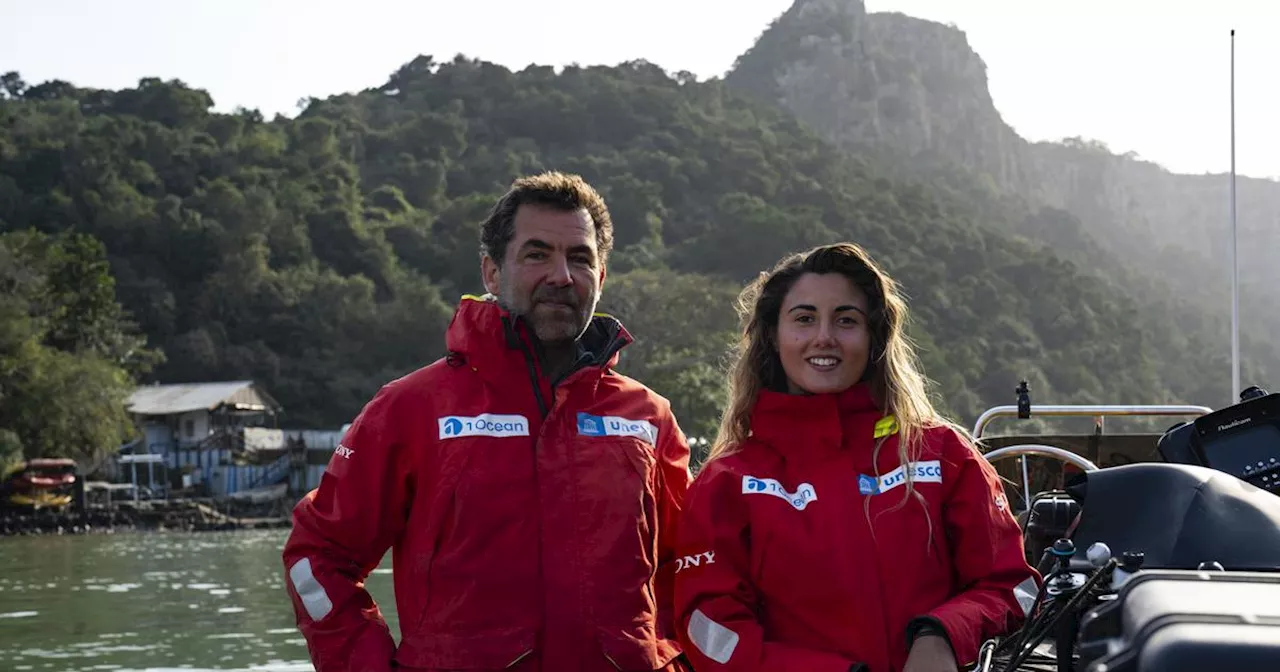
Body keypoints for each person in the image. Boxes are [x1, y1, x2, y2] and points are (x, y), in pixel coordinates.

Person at [282, 171, 694, 672]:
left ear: (601, 278)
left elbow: (692, 570)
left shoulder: (649, 417)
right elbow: (318, 556)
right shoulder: (411, 408)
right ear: (492, 273)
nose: (561, 276)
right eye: (537, 253)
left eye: (580, 258)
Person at [673, 243, 1039, 672]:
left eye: (846, 320)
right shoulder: (728, 479)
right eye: (805, 318)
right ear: (774, 334)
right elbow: (707, 628)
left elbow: (1013, 587)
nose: (824, 336)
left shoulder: (943, 455)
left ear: (873, 337)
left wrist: (942, 635)